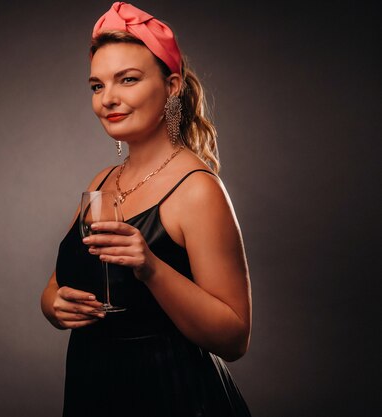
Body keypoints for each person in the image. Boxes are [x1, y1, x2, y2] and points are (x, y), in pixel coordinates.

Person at [40, 2, 252, 416]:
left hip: (173, 396)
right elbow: (55, 286)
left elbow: (234, 338)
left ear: (172, 86)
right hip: (94, 392)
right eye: (97, 86)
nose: (108, 99)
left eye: (128, 79)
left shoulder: (196, 189)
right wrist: (55, 305)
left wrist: (151, 267)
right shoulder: (100, 182)